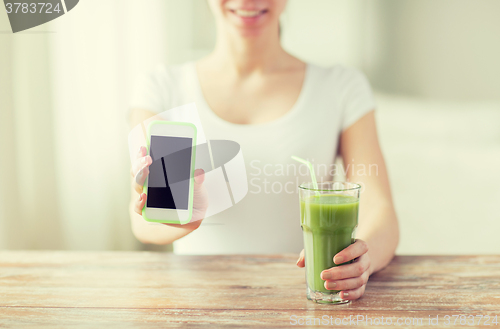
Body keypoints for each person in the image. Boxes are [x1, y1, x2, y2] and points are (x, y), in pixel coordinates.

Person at [129, 0, 399, 301]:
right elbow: (140, 218)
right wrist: (182, 217)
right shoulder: (162, 87)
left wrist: (363, 259)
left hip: (303, 301)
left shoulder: (342, 87)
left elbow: (380, 210)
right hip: (195, 304)